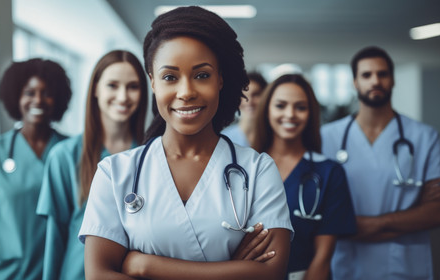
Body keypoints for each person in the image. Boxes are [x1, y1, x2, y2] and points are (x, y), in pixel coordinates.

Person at [78, 6, 293, 280]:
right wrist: (232, 271)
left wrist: (144, 266)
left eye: (202, 75)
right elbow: (98, 276)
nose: (186, 92)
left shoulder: (258, 170)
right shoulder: (114, 173)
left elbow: (271, 273)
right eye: (170, 77)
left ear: (220, 80)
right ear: (153, 82)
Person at [321, 46, 440, 280]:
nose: (375, 80)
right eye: (366, 75)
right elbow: (320, 210)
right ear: (354, 82)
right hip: (346, 265)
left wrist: (363, 225)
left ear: (393, 79)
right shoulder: (327, 137)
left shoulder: (423, 137)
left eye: (382, 74)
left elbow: (438, 211)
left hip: (404, 267)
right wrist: (403, 220)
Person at [36, 50, 148, 280]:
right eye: (113, 85)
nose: (123, 96)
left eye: (133, 86)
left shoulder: (155, 156)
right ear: (96, 89)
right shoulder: (64, 157)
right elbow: (55, 238)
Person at [0, 58, 72, 279]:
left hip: (59, 270)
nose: (38, 100)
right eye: (29, 92)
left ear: (58, 98)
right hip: (8, 273)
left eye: (46, 93)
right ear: (16, 97)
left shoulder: (72, 152)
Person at [252, 74, 356, 280]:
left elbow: (323, 257)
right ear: (266, 110)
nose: (290, 114)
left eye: (300, 107)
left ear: (311, 114)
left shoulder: (329, 172)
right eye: (280, 106)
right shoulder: (246, 167)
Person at [222, 72, 267, 147]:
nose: (249, 101)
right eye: (243, 95)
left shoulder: (275, 136)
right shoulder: (224, 138)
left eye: (256, 94)